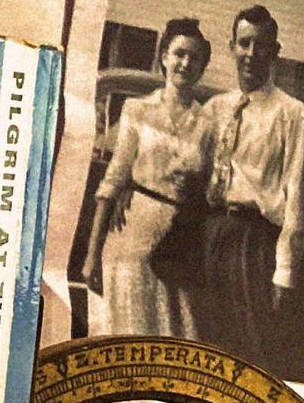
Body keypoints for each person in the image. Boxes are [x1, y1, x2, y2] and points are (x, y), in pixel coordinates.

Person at [199, 4, 304, 365]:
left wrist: (285, 271)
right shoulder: (216, 107)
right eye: (244, 43)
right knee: (203, 342)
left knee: (247, 351)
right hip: (211, 232)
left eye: (260, 45)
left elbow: (296, 196)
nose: (250, 54)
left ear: (274, 51)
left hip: (253, 241)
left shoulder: (290, 112)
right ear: (231, 46)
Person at [91, 18, 214, 338]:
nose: (186, 63)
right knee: (124, 333)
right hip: (130, 234)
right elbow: (113, 179)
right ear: (163, 56)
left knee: (172, 336)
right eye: (179, 54)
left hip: (177, 243)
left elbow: (210, 189)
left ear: (203, 66)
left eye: (195, 57)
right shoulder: (137, 109)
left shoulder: (209, 124)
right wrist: (91, 255)